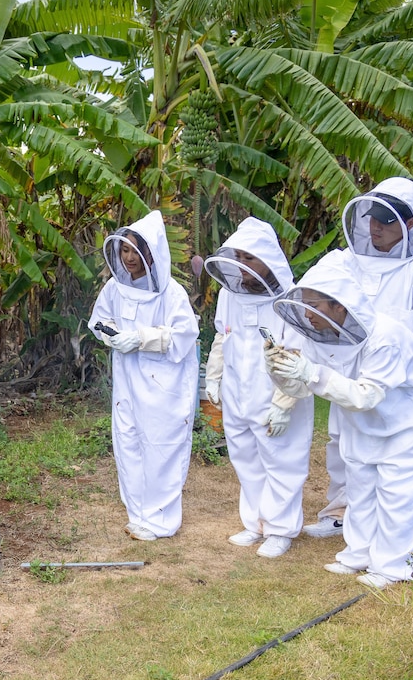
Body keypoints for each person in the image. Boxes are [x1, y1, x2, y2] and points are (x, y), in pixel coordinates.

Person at [264, 266, 413, 588]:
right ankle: (358, 554)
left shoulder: (386, 337)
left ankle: (393, 567)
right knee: (361, 484)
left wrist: (309, 372)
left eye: (315, 307)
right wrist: (280, 371)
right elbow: (302, 388)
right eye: (304, 306)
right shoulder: (319, 336)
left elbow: (366, 396)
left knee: (398, 489)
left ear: (339, 305)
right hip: (363, 418)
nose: (307, 315)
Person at [301, 177, 413, 539]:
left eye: (385, 221)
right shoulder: (348, 263)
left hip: (404, 392)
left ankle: (405, 532)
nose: (375, 228)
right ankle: (343, 516)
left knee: (401, 467)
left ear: (410, 224)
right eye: (371, 219)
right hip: (350, 380)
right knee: (345, 451)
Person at [203, 218, 313, 558]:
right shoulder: (229, 294)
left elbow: (298, 353)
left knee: (281, 461)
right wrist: (214, 376)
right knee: (245, 459)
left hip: (275, 398)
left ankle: (280, 529)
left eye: (249, 258)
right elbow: (223, 336)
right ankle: (256, 523)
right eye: (238, 256)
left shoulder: (291, 301)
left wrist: (283, 402)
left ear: (268, 259)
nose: (242, 264)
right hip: (238, 394)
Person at [88, 211, 199, 540]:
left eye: (136, 251)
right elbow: (99, 322)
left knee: (161, 446)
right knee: (129, 443)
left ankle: (161, 521)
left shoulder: (172, 293)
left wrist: (141, 338)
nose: (129, 258)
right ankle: (138, 513)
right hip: (127, 381)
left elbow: (184, 335)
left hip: (163, 383)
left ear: (151, 253)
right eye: (125, 251)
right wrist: (112, 336)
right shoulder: (114, 287)